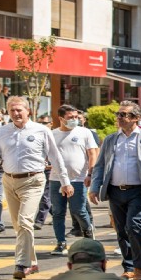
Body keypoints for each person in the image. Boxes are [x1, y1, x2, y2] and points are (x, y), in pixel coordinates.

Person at [0, 96, 74, 280]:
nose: (16, 114)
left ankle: (22, 263)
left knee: (25, 222)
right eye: (12, 111)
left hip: (33, 181)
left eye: (19, 110)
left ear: (28, 111)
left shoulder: (41, 130)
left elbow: (55, 157)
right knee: (19, 227)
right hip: (9, 181)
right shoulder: (2, 132)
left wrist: (65, 181)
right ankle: (32, 262)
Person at [89, 101, 141, 280]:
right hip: (115, 190)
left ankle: (139, 267)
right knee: (121, 230)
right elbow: (100, 165)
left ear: (135, 118)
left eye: (124, 115)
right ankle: (128, 267)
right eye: (118, 114)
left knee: (134, 226)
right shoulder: (111, 139)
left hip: (138, 191)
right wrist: (94, 187)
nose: (119, 118)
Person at [49, 105, 98, 256]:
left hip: (78, 179)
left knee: (78, 209)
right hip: (56, 179)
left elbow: (92, 154)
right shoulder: (52, 134)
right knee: (58, 212)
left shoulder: (85, 132)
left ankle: (88, 234)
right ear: (61, 118)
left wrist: (90, 173)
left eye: (76, 117)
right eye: (70, 117)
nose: (74, 120)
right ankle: (61, 243)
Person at [34, 114, 54, 230]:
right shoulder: (36, 136)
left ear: (51, 124)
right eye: (39, 123)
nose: (41, 126)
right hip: (39, 170)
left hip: (52, 171)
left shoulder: (55, 135)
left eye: (44, 123)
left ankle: (39, 220)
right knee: (43, 195)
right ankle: (55, 214)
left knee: (45, 196)